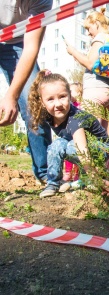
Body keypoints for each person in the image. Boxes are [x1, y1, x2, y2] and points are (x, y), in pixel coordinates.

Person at [27, 70, 109, 198]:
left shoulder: (75, 118)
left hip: (100, 148)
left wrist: (97, 179)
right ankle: (53, 183)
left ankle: (90, 178)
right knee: (57, 145)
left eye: (62, 96)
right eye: (50, 99)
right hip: (80, 146)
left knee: (71, 146)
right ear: (42, 103)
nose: (58, 104)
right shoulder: (48, 116)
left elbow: (82, 150)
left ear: (70, 95)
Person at [0, 0, 53, 184]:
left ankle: (46, 174)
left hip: (19, 44)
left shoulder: (42, 1)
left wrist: (12, 96)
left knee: (34, 107)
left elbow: (31, 47)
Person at [64, 8, 109, 130]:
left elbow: (90, 64)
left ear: (96, 24)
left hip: (95, 91)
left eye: (88, 28)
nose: (88, 33)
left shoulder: (99, 39)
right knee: (103, 135)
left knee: (91, 132)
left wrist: (73, 52)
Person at [62, 82, 83, 182]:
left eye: (70, 91)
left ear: (79, 93)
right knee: (68, 154)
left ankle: (77, 174)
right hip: (69, 133)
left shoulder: (81, 106)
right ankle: (67, 172)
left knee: (78, 154)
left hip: (78, 135)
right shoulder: (68, 105)